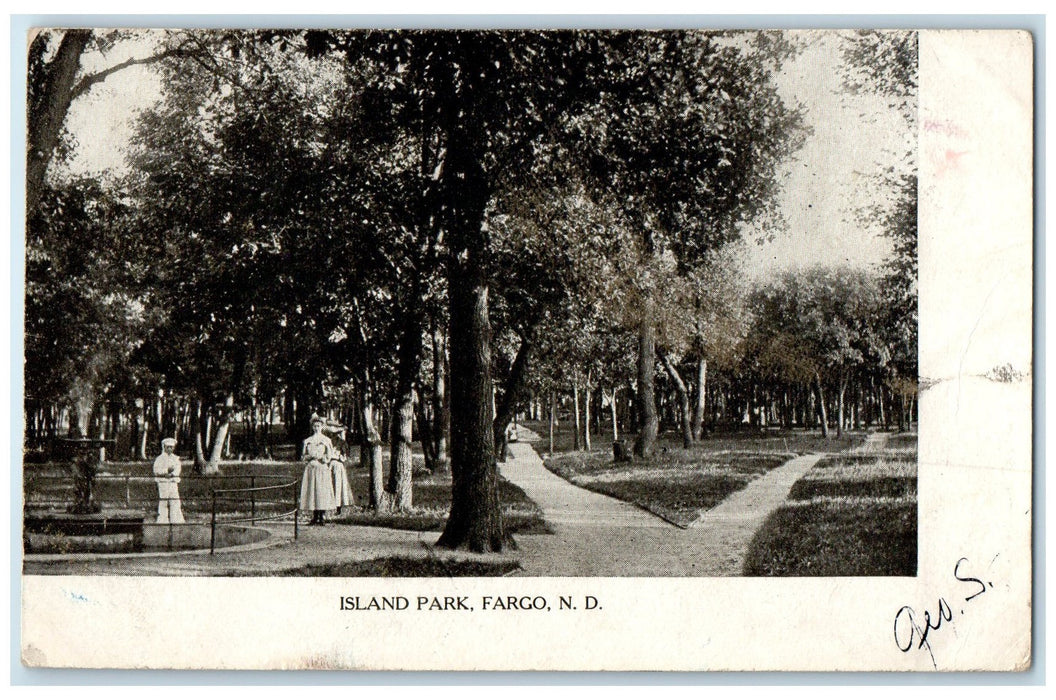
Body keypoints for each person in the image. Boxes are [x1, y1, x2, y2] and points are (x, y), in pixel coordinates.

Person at [300, 416, 336, 524]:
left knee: (321, 491)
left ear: (322, 427)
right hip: (311, 467)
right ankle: (314, 516)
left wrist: (323, 458)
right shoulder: (308, 441)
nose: (317, 428)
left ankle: (322, 516)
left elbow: (329, 455)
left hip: (322, 467)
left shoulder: (326, 440)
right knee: (313, 491)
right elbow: (303, 456)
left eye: (319, 426)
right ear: (312, 427)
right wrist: (309, 457)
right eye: (315, 426)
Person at [153, 437, 185, 524]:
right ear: (164, 447)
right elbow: (156, 470)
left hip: (172, 481)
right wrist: (165, 471)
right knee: (163, 501)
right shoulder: (159, 459)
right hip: (163, 482)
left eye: (171, 447)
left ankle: (176, 520)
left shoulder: (176, 458)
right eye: (168, 447)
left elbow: (178, 469)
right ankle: (162, 520)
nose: (170, 449)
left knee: (175, 500)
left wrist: (172, 474)